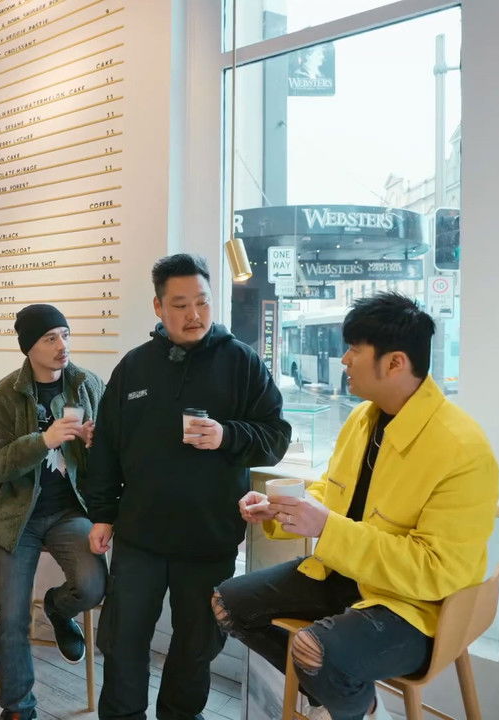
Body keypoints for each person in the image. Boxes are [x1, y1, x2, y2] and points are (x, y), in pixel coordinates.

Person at [212, 293, 499, 720]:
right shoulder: (362, 419)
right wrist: (283, 509)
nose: (344, 359)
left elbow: (437, 570)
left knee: (316, 648)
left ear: (395, 362)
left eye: (354, 349)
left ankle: (349, 702)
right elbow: (334, 496)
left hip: (415, 606)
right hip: (344, 573)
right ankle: (347, 698)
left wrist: (326, 527)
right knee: (228, 603)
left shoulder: (463, 449)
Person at [83, 253, 291, 720]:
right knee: (122, 640)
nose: (194, 314)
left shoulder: (241, 362)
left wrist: (227, 435)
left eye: (202, 301)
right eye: (180, 304)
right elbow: (106, 448)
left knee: (197, 645)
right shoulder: (134, 367)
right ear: (159, 307)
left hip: (208, 538)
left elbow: (276, 437)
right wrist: (102, 514)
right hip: (140, 536)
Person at [0, 304, 109, 720]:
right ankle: (18, 708)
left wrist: (96, 443)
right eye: (50, 338)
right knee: (11, 618)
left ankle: (57, 607)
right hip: (17, 517)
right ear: (29, 347)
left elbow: (115, 449)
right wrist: (43, 440)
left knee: (92, 586)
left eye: (65, 335)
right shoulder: (3, 395)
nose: (61, 346)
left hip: (71, 511)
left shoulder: (87, 384)